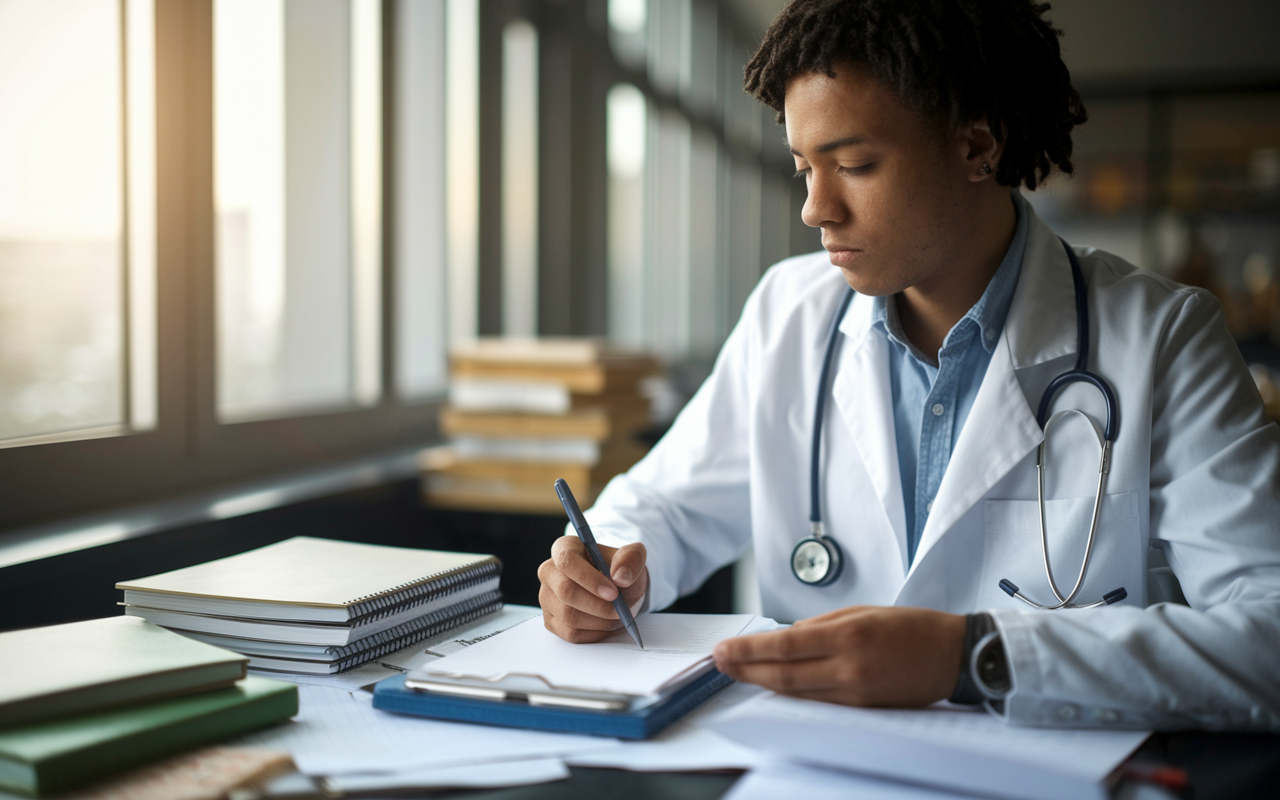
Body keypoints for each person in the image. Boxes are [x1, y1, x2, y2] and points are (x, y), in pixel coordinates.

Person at [537, 0, 1280, 730]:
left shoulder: (1165, 338)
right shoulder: (788, 315)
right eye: (803, 168)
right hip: (810, 771)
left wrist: (978, 657)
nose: (815, 209)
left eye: (854, 164)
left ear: (976, 147)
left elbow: (1268, 637)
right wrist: (605, 562)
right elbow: (666, 507)